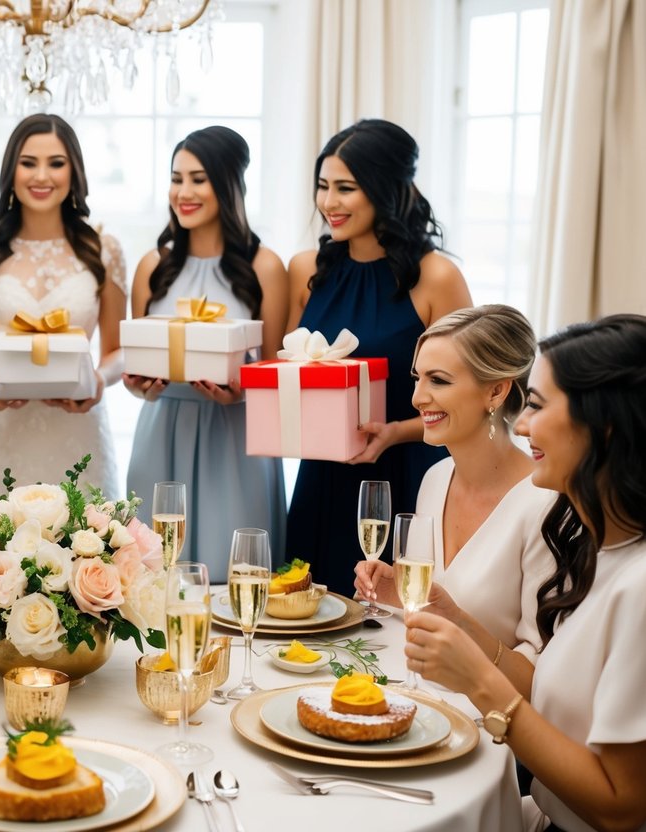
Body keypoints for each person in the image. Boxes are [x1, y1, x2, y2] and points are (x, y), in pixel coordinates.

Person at [406, 315, 646, 832]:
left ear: (602, 425)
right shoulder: (602, 552)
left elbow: (622, 809)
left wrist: (479, 680)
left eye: (535, 405)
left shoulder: (639, 586)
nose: (521, 424)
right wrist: (456, 619)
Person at [285, 119, 472, 593]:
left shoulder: (436, 278)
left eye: (345, 188)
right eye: (323, 186)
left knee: (390, 626)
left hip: (405, 473)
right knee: (308, 614)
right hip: (320, 475)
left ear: (386, 189)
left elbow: (468, 395)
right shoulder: (308, 269)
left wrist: (394, 434)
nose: (328, 202)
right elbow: (286, 373)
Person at [355, 305, 555, 682]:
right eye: (418, 378)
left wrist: (459, 623)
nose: (417, 398)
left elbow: (538, 680)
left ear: (496, 390)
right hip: (409, 691)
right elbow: (424, 614)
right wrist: (392, 592)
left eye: (438, 381)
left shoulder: (545, 503)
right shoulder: (435, 479)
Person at [123, 126, 287, 579]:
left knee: (235, 576)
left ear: (229, 183)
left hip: (235, 435)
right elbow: (138, 362)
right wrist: (139, 386)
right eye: (177, 178)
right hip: (162, 428)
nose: (184, 192)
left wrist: (239, 394)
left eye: (199, 178)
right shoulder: (152, 266)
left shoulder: (265, 267)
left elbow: (276, 371)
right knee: (153, 575)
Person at [0, 114, 126, 493]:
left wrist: (98, 381)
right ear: (11, 171)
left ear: (74, 172)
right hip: (1, 429)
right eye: (28, 162)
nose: (42, 176)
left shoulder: (105, 250)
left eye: (56, 163)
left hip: (79, 428)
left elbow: (117, 351)